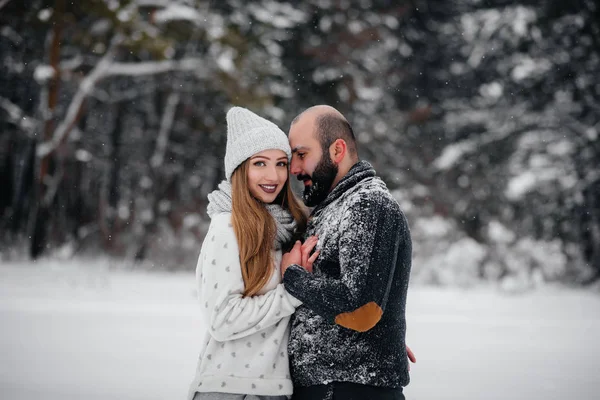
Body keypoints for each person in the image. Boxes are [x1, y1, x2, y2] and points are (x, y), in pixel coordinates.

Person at [280, 105, 414, 400]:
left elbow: (361, 310)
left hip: (348, 389)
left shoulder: (368, 205)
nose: (294, 169)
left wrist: (293, 277)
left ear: (337, 150)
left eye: (302, 155)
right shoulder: (334, 207)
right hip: (333, 386)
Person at [188, 107, 317, 400]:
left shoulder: (287, 226)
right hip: (230, 388)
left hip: (277, 389)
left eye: (281, 164)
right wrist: (292, 291)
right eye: (260, 163)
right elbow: (222, 319)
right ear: (239, 169)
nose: (273, 175)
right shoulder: (228, 226)